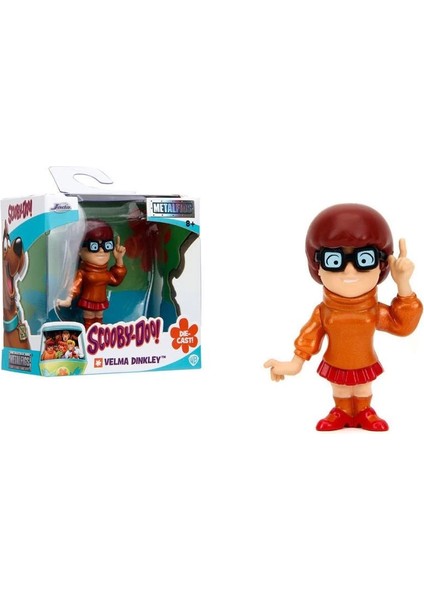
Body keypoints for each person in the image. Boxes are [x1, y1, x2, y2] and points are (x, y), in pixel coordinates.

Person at [264, 203, 423, 431]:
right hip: (335, 363)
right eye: (334, 260)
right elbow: (309, 338)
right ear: (318, 267)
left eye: (364, 259)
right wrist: (294, 364)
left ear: (381, 266)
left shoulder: (373, 311)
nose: (349, 271)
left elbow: (403, 325)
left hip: (364, 362)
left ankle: (364, 410)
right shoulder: (323, 312)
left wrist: (403, 285)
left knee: (363, 388)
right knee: (340, 389)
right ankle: (342, 411)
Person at [57, 219, 127, 329]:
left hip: (101, 301)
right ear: (79, 250)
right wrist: (68, 300)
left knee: (99, 318)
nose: (101, 250)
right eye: (94, 246)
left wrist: (119, 259)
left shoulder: (106, 273)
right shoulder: (83, 273)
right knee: (89, 319)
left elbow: (116, 280)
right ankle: (88, 333)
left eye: (107, 245)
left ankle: (98, 334)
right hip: (88, 301)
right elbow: (75, 286)